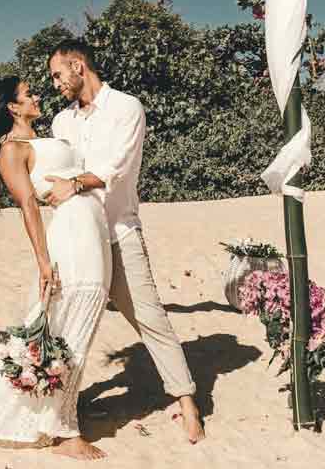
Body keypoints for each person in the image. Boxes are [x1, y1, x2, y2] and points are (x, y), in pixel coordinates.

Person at [44, 39, 206, 444]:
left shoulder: (127, 108)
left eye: (57, 74)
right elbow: (55, 173)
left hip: (119, 233)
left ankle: (187, 402)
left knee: (151, 319)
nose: (55, 83)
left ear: (79, 66)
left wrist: (74, 184)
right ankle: (65, 408)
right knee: (70, 327)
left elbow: (116, 167)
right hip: (78, 240)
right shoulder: (61, 122)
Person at [0, 76, 111, 460]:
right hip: (70, 238)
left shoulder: (48, 136)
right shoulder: (11, 148)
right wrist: (43, 261)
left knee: (82, 323)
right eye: (28, 94)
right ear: (12, 106)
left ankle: (61, 408)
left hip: (94, 231)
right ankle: (64, 431)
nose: (37, 96)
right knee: (66, 321)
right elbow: (28, 206)